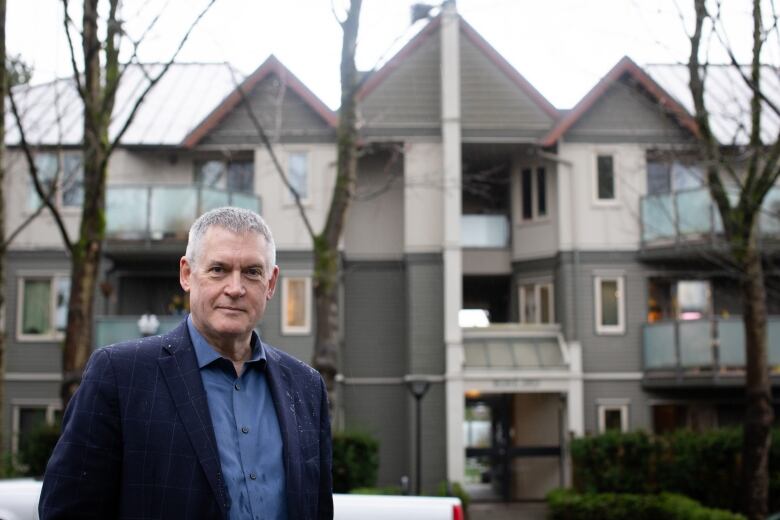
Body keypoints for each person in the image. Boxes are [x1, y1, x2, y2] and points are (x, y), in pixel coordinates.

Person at [39, 207, 333, 520]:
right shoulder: (120, 376)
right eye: (218, 269)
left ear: (271, 282)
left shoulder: (306, 387)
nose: (235, 288)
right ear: (186, 274)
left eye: (252, 272)